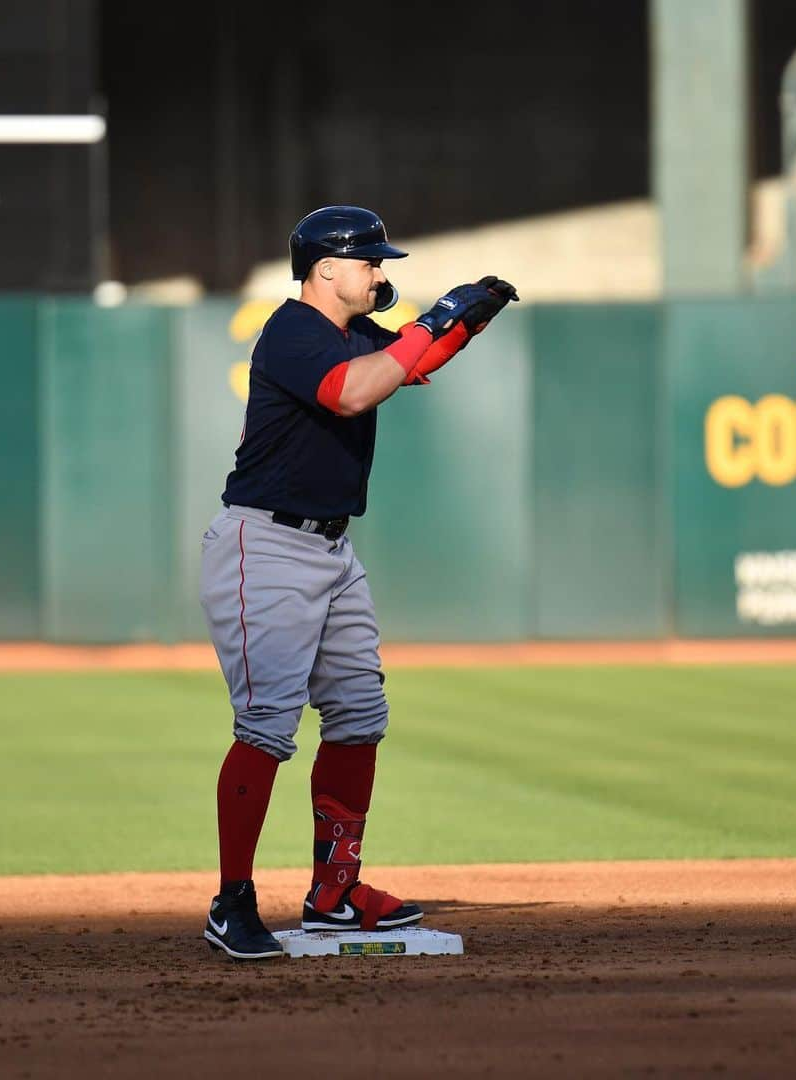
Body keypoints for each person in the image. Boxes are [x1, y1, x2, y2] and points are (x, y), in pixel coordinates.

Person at [199, 205, 518, 959]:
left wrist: (463, 323)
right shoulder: (293, 331)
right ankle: (231, 902)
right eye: (371, 262)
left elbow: (411, 366)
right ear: (326, 270)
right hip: (266, 544)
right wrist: (427, 325)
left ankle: (334, 892)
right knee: (267, 726)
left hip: (330, 548)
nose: (382, 273)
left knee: (357, 715)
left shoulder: (352, 333)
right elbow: (351, 391)